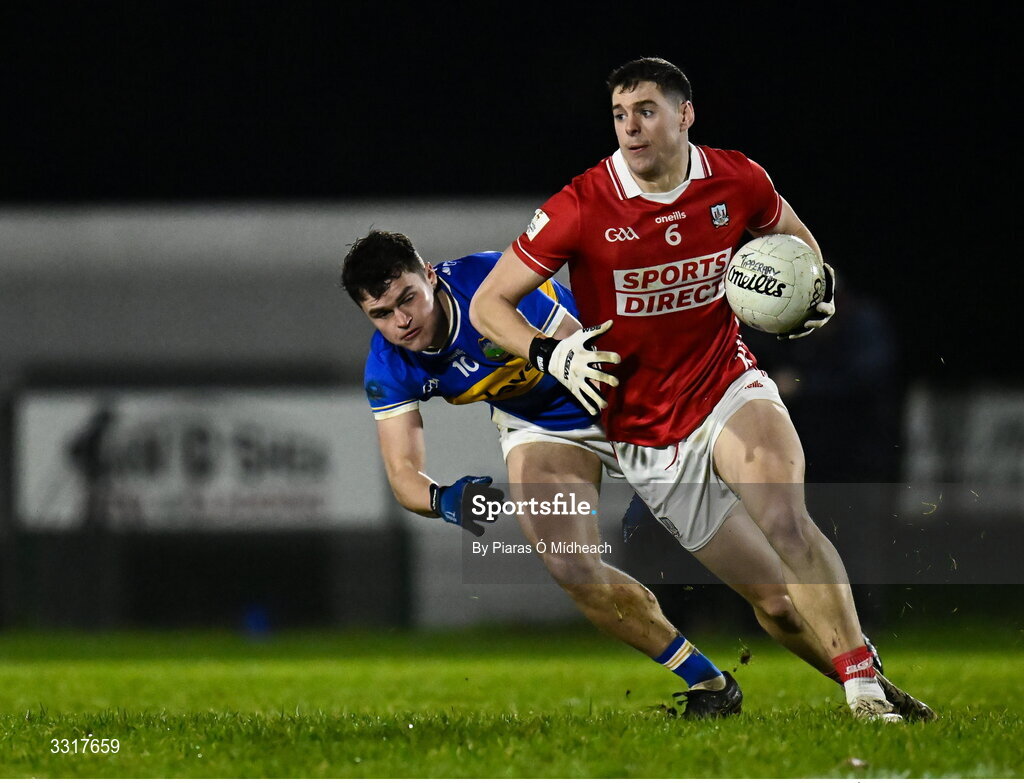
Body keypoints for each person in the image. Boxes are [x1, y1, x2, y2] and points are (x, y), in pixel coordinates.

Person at [470, 57, 935, 722]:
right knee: (774, 601)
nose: (631, 128)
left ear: (686, 114)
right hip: (646, 432)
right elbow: (491, 305)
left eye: (647, 111)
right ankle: (863, 680)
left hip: (727, 383)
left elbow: (798, 246)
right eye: (620, 115)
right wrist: (550, 351)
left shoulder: (737, 178)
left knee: (786, 519)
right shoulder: (581, 204)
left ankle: (864, 687)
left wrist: (814, 291)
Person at [340, 229, 742, 718]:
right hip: (535, 422)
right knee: (569, 564)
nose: (402, 321)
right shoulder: (388, 365)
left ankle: (849, 666)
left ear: (430, 276)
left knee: (733, 544)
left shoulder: (490, 282)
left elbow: (579, 348)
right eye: (381, 314)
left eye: (408, 299)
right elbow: (404, 475)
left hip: (608, 389)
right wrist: (445, 500)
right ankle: (708, 683)